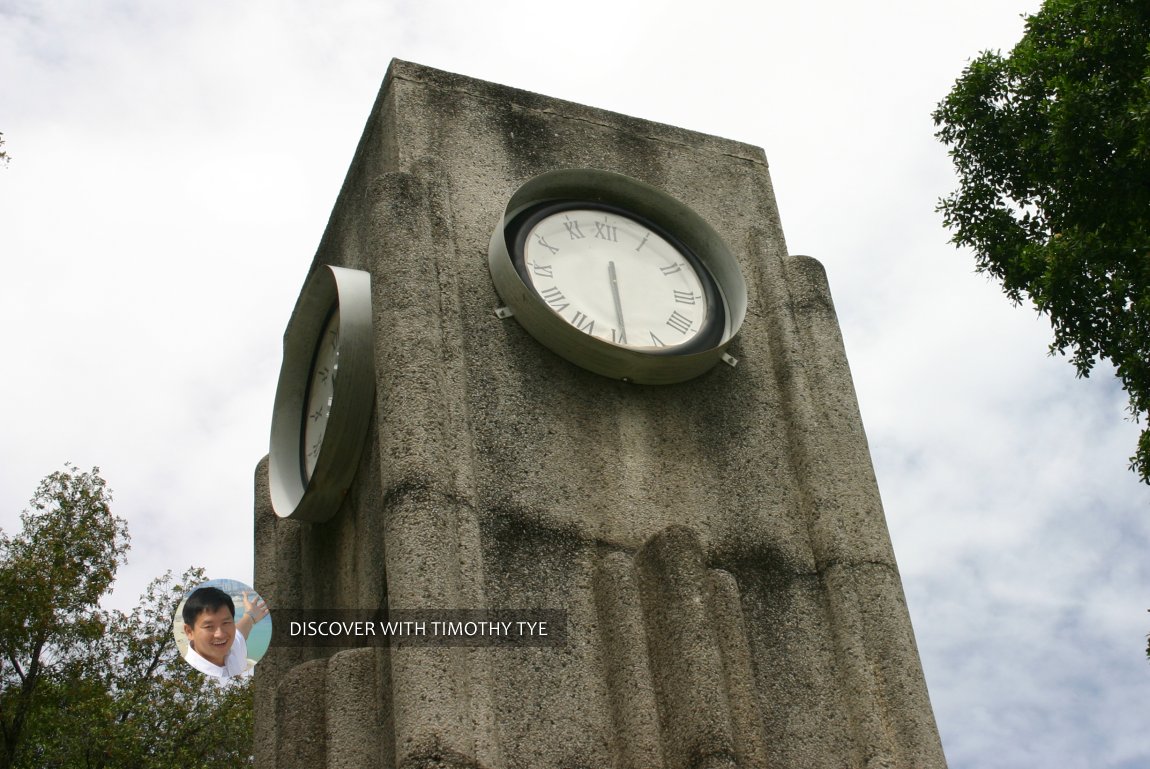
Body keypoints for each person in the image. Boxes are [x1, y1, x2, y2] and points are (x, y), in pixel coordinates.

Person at [182, 586, 268, 679]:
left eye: (226, 623)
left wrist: (251, 615)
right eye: (209, 626)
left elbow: (240, 632)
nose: (220, 634)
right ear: (189, 632)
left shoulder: (232, 647)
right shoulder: (192, 675)